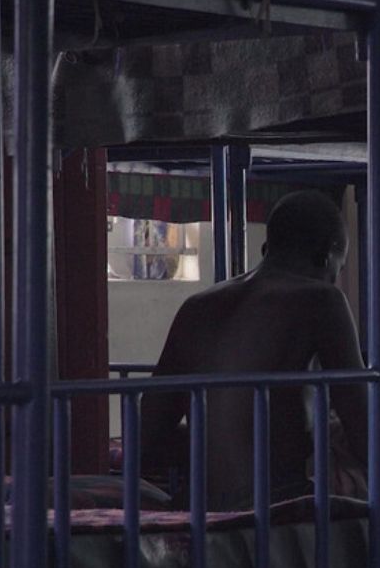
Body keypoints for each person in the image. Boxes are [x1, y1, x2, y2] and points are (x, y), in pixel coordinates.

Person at [142, 191, 368, 511]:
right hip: (272, 508)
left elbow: (147, 442)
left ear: (266, 249)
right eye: (339, 267)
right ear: (327, 255)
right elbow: (370, 442)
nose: (335, 278)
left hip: (196, 506)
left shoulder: (196, 307)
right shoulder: (323, 300)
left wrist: (218, 442)